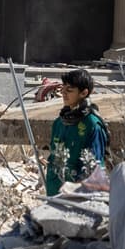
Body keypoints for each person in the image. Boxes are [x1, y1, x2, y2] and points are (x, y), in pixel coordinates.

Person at [44, 68, 110, 196]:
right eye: (63, 89)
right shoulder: (59, 123)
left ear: (83, 93)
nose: (63, 93)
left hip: (78, 196)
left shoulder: (92, 125)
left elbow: (95, 165)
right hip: (55, 190)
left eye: (69, 90)